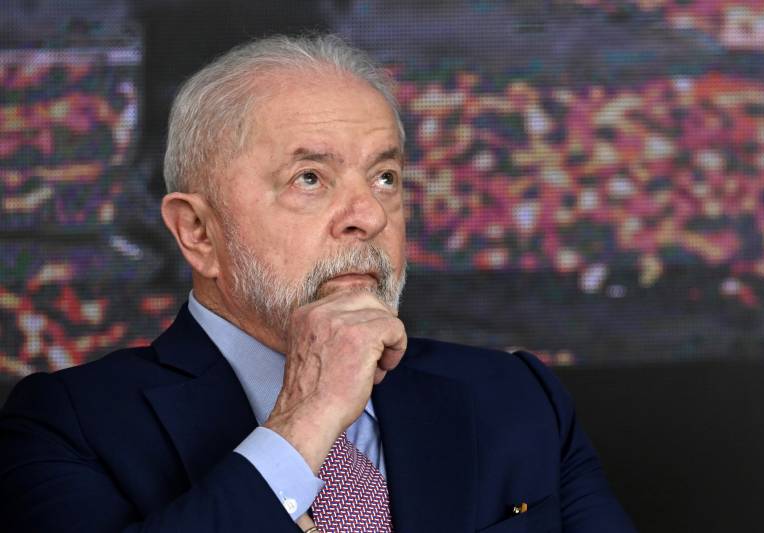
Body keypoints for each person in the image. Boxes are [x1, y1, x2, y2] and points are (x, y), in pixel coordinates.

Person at [0, 34, 636, 532]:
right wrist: (308, 419)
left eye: (385, 177)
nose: (369, 215)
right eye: (310, 177)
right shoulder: (66, 426)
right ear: (197, 231)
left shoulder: (518, 399)